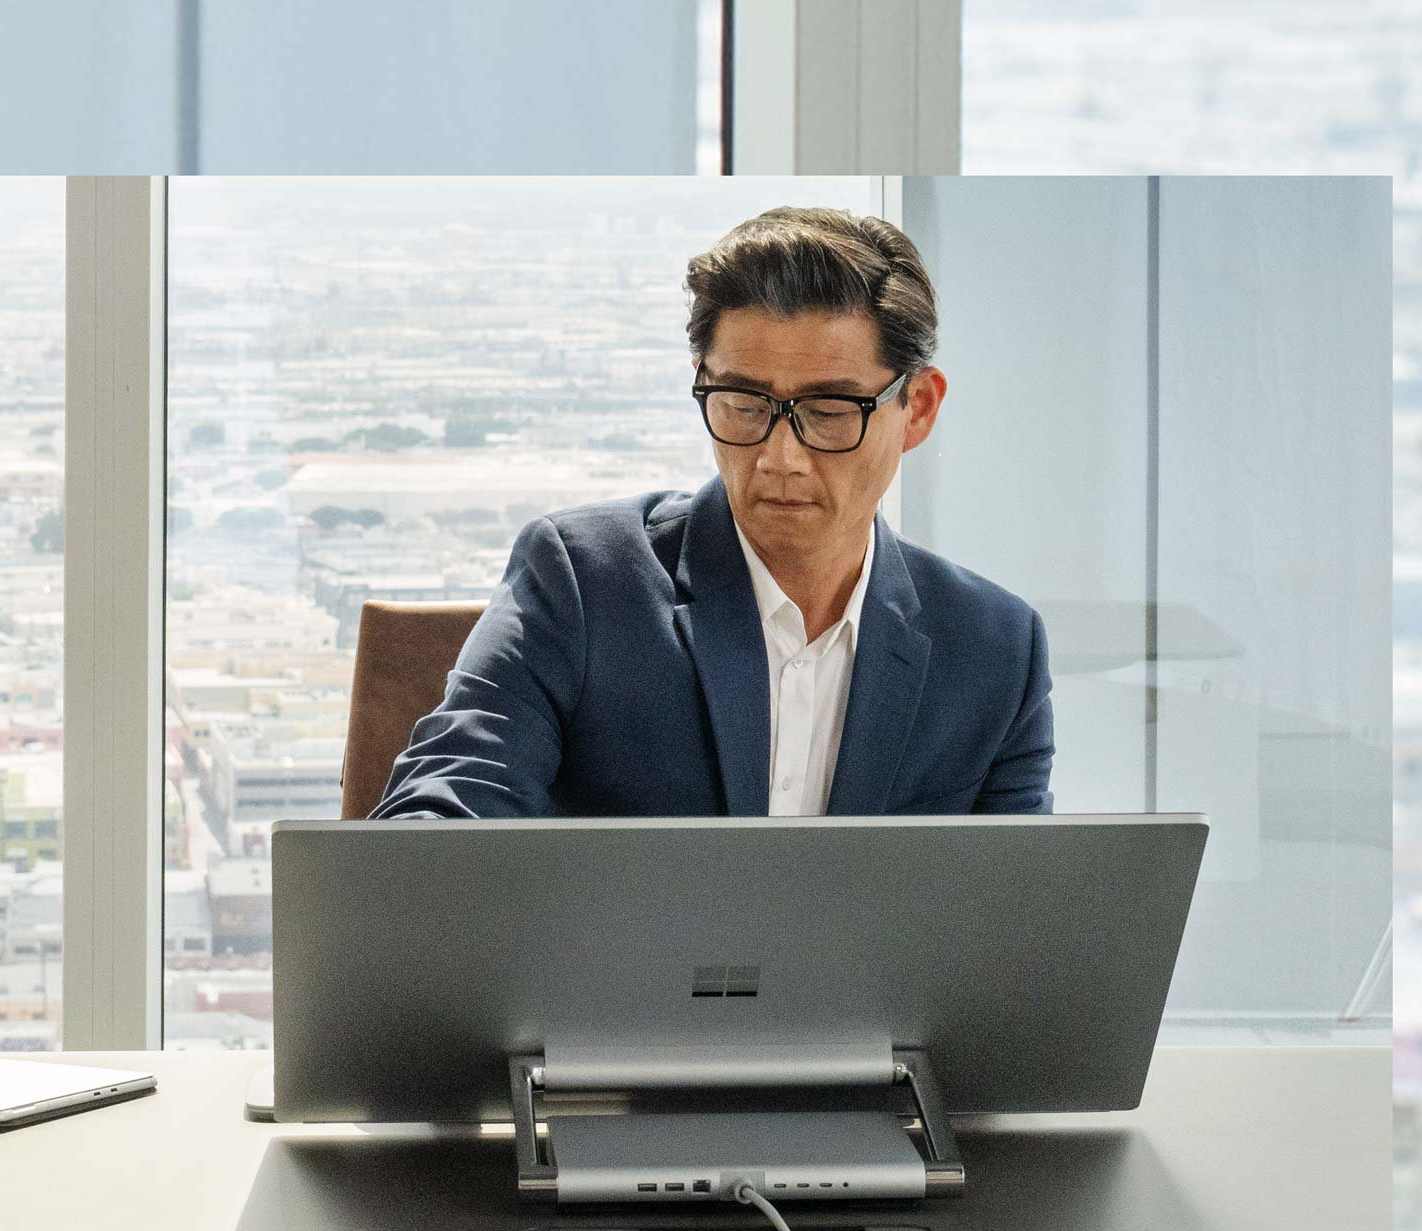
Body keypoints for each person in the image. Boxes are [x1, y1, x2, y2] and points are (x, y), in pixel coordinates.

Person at [369, 207, 1053, 819]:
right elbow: (438, 826)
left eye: (828, 411)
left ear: (919, 409)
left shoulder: (995, 650)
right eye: (745, 404)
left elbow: (1020, 917)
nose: (780, 456)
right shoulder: (580, 581)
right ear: (702, 380)